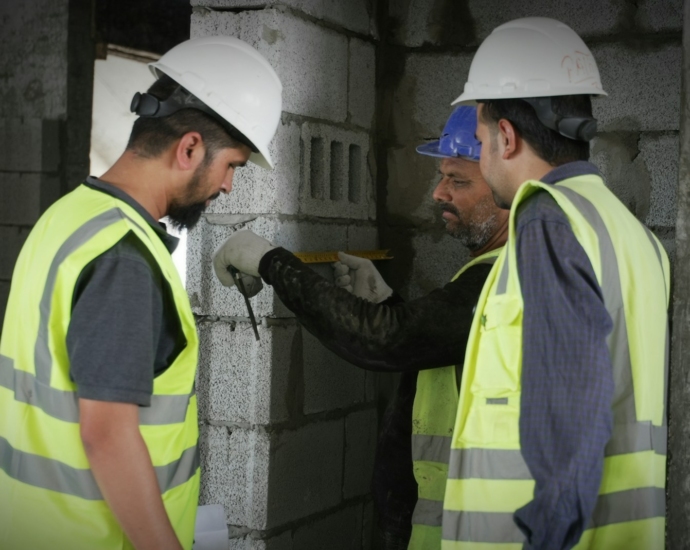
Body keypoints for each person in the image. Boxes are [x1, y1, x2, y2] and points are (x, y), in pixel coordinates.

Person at [0, 36, 282, 550]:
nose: (228, 187)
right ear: (190, 148)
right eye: (233, 166)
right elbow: (106, 434)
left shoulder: (66, 217)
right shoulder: (122, 257)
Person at [212, 105, 509, 549]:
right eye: (442, 176)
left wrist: (273, 263)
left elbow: (387, 340)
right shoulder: (490, 270)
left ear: (508, 189)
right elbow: (439, 348)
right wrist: (388, 304)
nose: (439, 193)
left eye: (458, 180)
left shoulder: (504, 276)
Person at [441, 17, 669, 550]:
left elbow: (573, 413)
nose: (482, 156)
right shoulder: (633, 235)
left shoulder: (548, 220)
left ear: (506, 135)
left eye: (479, 142)